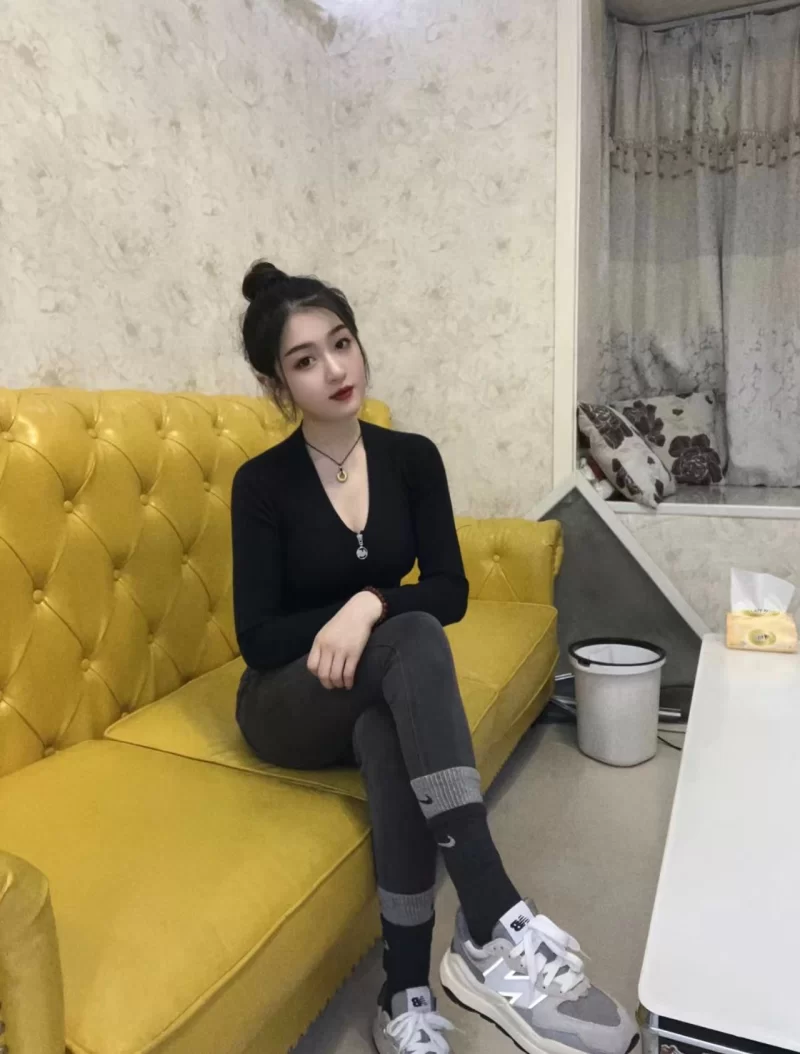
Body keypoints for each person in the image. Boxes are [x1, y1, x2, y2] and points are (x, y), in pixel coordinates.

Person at [231, 261, 638, 1054]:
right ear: (277, 385)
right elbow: (259, 638)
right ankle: (491, 917)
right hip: (287, 701)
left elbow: (449, 590)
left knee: (389, 721)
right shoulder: (262, 485)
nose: (335, 369)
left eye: (341, 343)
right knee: (411, 639)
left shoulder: (412, 458)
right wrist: (352, 621)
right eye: (306, 360)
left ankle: (406, 991)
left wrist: (369, 604)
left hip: (375, 686)